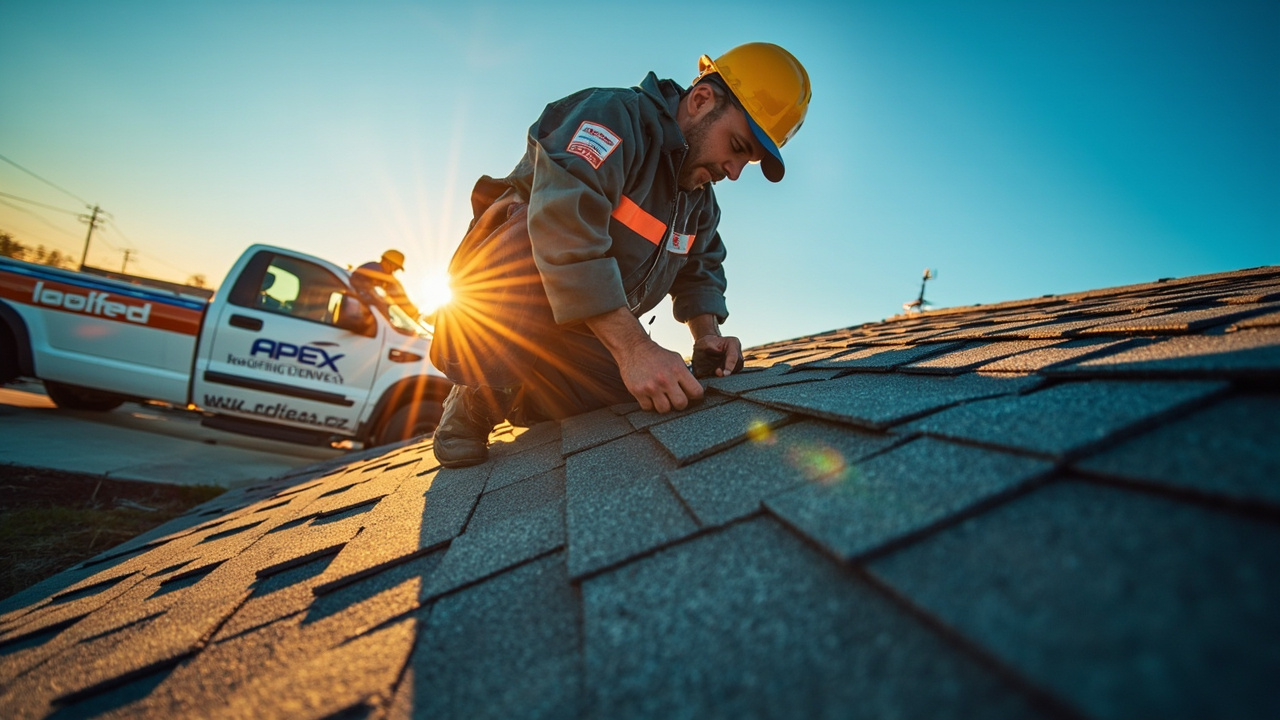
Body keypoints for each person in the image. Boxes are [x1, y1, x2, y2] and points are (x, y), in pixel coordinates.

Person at [429, 42, 811, 467]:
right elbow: (563, 222)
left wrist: (706, 335)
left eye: (748, 162)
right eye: (737, 147)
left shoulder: (699, 199)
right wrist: (632, 349)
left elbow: (700, 269)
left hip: (582, 327)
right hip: (492, 302)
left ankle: (521, 393)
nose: (734, 172)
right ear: (702, 100)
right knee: (536, 232)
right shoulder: (612, 119)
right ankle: (478, 391)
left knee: (646, 389)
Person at [352, 249, 420, 318]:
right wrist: (412, 312)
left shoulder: (380, 273)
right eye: (395, 268)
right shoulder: (375, 269)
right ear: (387, 262)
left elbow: (398, 294)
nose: (394, 271)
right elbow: (397, 293)